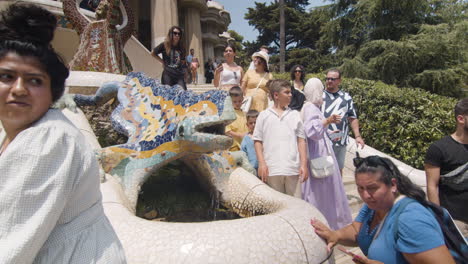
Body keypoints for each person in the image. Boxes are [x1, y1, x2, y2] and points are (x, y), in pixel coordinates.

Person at [0, 3, 126, 263]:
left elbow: (11, 247)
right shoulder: (14, 131)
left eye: (34, 80)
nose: (19, 89)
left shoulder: (49, 139)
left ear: (52, 91)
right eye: (7, 76)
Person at [311, 155, 455, 264]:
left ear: (393, 185)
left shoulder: (411, 219)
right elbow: (357, 230)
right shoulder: (373, 206)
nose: (365, 195)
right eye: (360, 188)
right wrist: (336, 235)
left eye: (372, 188)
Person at [301, 78, 352, 230]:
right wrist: (328, 121)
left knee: (324, 189)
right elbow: (311, 131)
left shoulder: (312, 107)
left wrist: (328, 130)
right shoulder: (310, 107)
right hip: (317, 153)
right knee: (322, 189)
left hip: (320, 149)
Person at [253, 79, 308, 198]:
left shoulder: (295, 115)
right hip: (272, 169)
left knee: (295, 205)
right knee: (276, 205)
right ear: (276, 95)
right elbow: (257, 141)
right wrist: (262, 163)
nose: (290, 95)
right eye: (287, 92)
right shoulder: (263, 115)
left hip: (292, 169)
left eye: (290, 92)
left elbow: (301, 141)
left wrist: (303, 164)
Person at [425, 98, 468, 237]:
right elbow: (432, 186)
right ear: (461, 119)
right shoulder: (438, 149)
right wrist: (440, 220)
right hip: (456, 222)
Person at [322, 68, 364, 175]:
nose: (329, 81)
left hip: (339, 141)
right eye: (327, 78)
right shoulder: (319, 96)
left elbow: (352, 117)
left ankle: (337, 191)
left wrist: (357, 136)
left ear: (339, 81)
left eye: (333, 79)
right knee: (322, 169)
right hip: (322, 141)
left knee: (338, 169)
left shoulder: (346, 98)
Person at [151, 26, 187, 90]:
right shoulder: (165, 45)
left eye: (179, 34)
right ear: (171, 34)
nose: (177, 35)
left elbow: (183, 61)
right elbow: (153, 53)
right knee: (168, 95)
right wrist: (162, 61)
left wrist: (185, 72)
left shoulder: (182, 47)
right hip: (168, 75)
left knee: (183, 93)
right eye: (175, 33)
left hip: (179, 76)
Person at [225, 86, 248, 151]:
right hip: (234, 146)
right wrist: (239, 135)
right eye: (234, 102)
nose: (237, 103)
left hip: (244, 144)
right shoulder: (228, 114)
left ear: (243, 99)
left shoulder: (244, 113)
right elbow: (227, 131)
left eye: (239, 101)